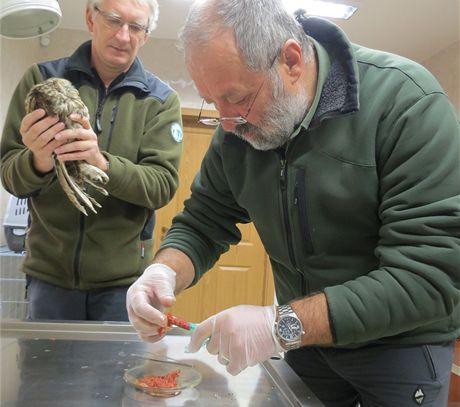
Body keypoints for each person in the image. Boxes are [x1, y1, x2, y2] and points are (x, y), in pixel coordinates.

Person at [126, 0, 460, 405]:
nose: (228, 122)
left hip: (400, 346)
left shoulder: (406, 103)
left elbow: (427, 279)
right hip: (308, 343)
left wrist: (278, 324)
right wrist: (162, 273)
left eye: (238, 98)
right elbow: (203, 220)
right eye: (214, 103)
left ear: (291, 60)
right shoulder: (236, 128)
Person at [0, 0, 183, 321]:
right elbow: (10, 174)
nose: (124, 35)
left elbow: (162, 186)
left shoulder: (161, 100)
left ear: (146, 35)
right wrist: (39, 160)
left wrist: (101, 162)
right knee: (47, 371)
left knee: (118, 372)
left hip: (124, 284)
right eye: (114, 20)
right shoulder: (41, 79)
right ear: (90, 18)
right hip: (49, 277)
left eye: (136, 27)